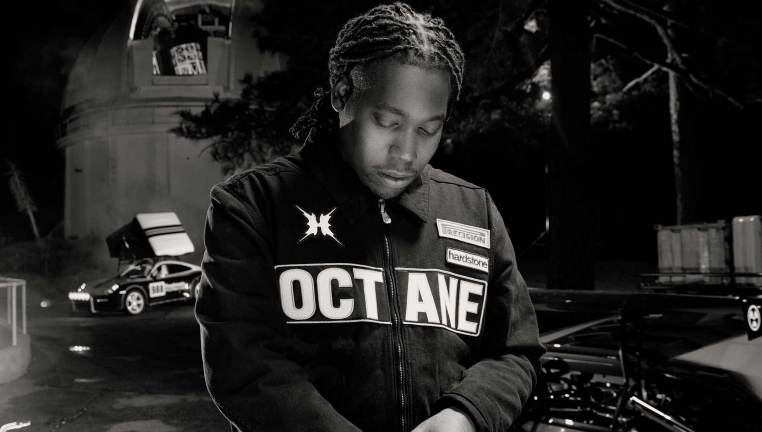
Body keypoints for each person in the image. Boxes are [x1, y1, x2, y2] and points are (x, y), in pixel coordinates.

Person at [195, 3, 544, 432]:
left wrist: (466, 414)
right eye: (387, 122)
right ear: (342, 94)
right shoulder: (252, 206)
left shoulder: (474, 211)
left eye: (428, 129)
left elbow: (515, 351)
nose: (406, 153)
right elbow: (243, 364)